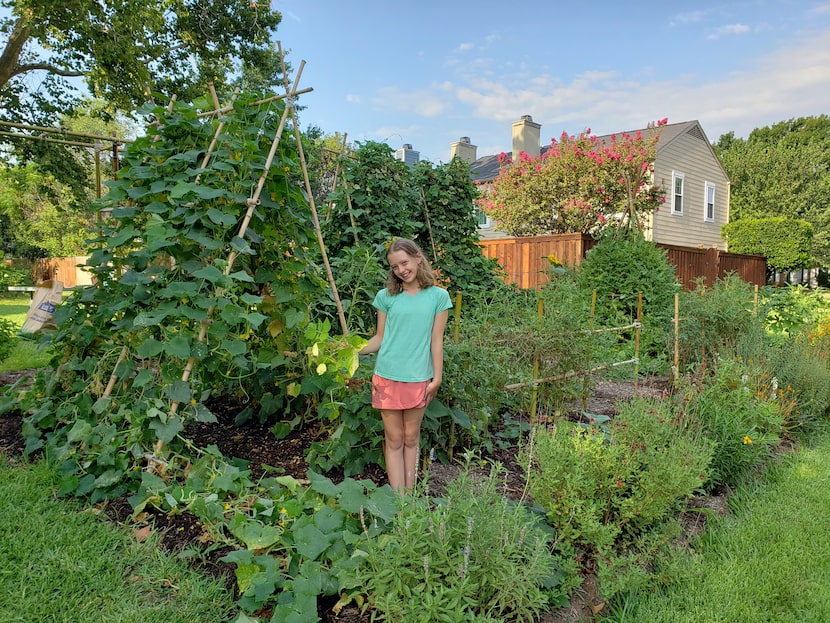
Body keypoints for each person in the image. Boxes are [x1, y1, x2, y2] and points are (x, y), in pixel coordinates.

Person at [359, 238, 453, 492]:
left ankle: (410, 498)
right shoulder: (386, 297)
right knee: (394, 439)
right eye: (395, 266)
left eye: (404, 262)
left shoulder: (438, 297)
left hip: (418, 378)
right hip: (387, 377)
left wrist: (437, 377)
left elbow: (436, 341)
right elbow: (379, 338)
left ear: (418, 258)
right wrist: (351, 351)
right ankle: (398, 500)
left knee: (411, 438)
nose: (401, 270)